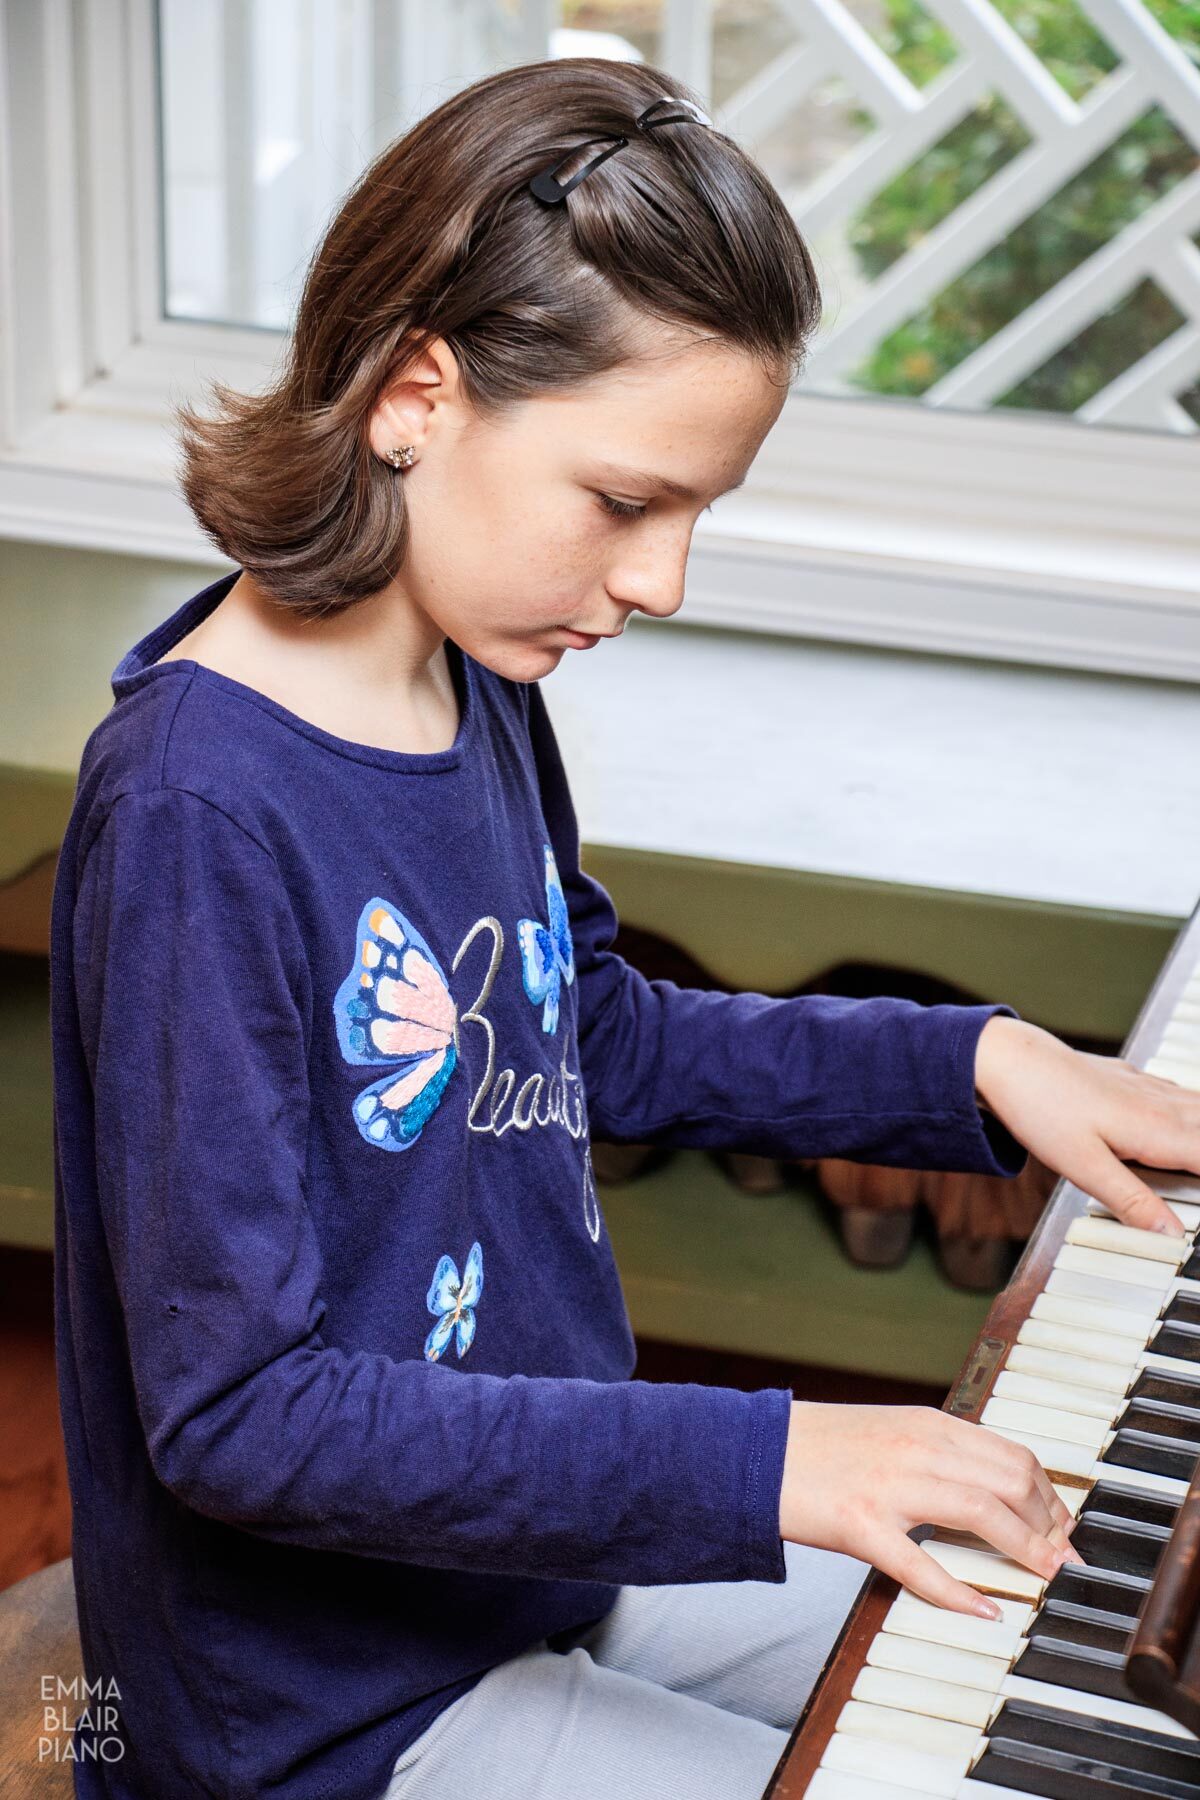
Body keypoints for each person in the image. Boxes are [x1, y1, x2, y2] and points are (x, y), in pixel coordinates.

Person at [48, 55, 1197, 1800]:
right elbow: (238, 1414)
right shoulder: (199, 812)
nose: (661, 583)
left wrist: (982, 1059)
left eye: (695, 516)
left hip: (536, 1561)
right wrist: (774, 1461)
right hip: (327, 1710)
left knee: (1038, 1645)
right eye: (626, 502)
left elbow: (591, 1028)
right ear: (416, 395)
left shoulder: (465, 672)